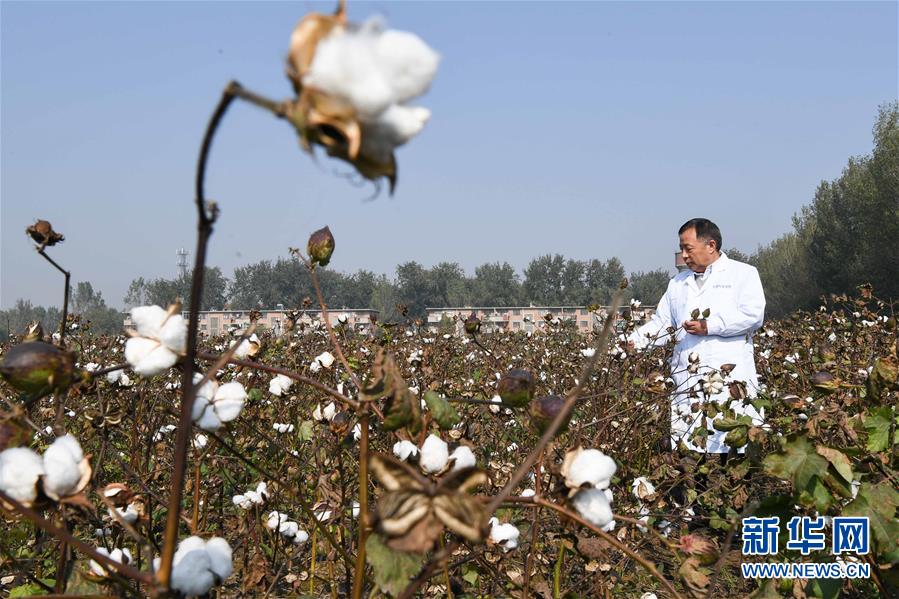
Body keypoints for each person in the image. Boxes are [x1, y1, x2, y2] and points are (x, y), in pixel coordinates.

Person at [629, 218, 766, 453]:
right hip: (688, 384)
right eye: (681, 249)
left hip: (728, 383)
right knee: (689, 456)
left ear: (710, 245)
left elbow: (753, 315)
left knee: (730, 451)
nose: (683, 255)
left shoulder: (743, 274)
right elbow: (663, 323)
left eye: (688, 248)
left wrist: (710, 326)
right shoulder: (678, 283)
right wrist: (634, 342)